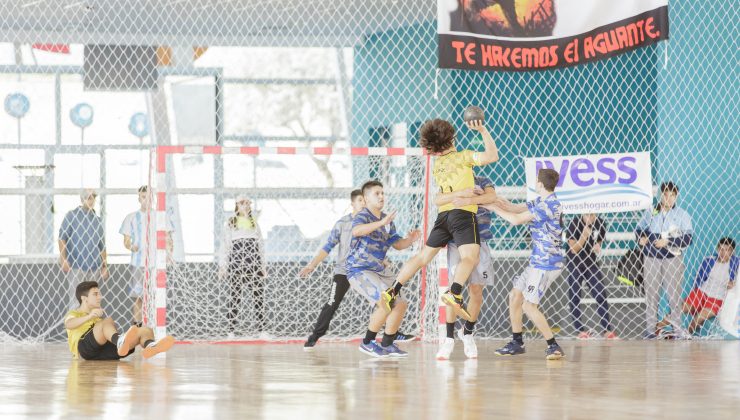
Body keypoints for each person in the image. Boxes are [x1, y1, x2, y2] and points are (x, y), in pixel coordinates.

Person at [381, 118, 500, 322]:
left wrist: (458, 193)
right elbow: (492, 155)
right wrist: (482, 130)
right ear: (452, 137)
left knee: (422, 257)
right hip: (463, 215)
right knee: (471, 258)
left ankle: (392, 290)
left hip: (443, 217)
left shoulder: (438, 165)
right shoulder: (463, 157)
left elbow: (440, 198)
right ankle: (454, 292)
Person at [485, 168, 566, 360]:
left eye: (536, 180)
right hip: (536, 261)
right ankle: (517, 342)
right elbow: (514, 208)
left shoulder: (549, 205)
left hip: (547, 263)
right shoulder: (541, 201)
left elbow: (515, 220)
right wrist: (493, 199)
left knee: (529, 306)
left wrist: (493, 208)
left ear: (540, 184)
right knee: (515, 296)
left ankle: (553, 346)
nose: (535, 182)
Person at [346, 180, 420, 358]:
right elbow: (357, 231)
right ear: (365, 198)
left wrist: (410, 240)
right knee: (385, 301)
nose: (381, 196)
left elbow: (398, 245)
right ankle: (367, 342)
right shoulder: (362, 216)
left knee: (400, 304)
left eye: (382, 193)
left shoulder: (387, 221)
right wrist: (381, 222)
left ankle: (387, 343)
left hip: (380, 270)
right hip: (359, 270)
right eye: (376, 193)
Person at [435, 175, 497, 360]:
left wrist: (470, 199)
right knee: (454, 291)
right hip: (457, 241)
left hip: (482, 239)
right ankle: (448, 338)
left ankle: (467, 332)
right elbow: (439, 200)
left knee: (477, 290)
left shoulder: (484, 181)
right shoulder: (451, 182)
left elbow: (491, 198)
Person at [635, 181, 693, 339]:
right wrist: (641, 238)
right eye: (666, 194)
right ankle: (650, 331)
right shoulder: (651, 212)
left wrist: (668, 242)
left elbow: (688, 239)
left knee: (674, 296)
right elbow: (639, 229)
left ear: (676, 196)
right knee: (652, 295)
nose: (668, 198)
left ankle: (677, 330)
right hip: (651, 258)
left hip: (673, 259)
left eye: (672, 195)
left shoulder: (682, 215)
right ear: (661, 195)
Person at [64, 281, 174, 360]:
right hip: (84, 349)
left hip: (102, 352)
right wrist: (89, 317)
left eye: (100, 294)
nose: (100, 297)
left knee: (145, 330)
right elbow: (69, 324)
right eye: (95, 294)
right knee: (107, 321)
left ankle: (150, 346)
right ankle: (120, 341)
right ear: (84, 298)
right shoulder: (74, 314)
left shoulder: (97, 318)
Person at [657, 237, 737, 335]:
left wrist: (734, 284)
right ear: (717, 249)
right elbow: (698, 278)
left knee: (698, 318)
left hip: (717, 298)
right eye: (721, 249)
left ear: (732, 251)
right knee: (679, 309)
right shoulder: (709, 260)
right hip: (702, 292)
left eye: (727, 250)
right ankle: (658, 328)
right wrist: (697, 295)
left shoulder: (736, 263)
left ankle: (686, 335)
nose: (723, 252)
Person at [119, 186, 174, 327]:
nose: (146, 200)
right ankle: (137, 328)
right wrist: (131, 246)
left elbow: (168, 238)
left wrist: (169, 254)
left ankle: (155, 326)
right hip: (138, 264)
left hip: (156, 264)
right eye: (143, 197)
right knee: (138, 298)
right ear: (139, 198)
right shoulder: (131, 217)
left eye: (149, 197)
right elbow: (126, 241)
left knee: (156, 296)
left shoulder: (161, 216)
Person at [218, 195, 266, 336]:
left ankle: (262, 330)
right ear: (237, 205)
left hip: (254, 262)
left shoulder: (254, 223)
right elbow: (225, 246)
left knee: (258, 296)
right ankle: (231, 331)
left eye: (248, 203)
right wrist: (223, 266)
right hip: (237, 262)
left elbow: (261, 245)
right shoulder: (231, 223)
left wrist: (263, 265)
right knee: (235, 297)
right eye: (242, 203)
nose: (245, 205)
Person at [565, 213, 618, 339]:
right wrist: (583, 237)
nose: (590, 217)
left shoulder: (600, 222)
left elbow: (599, 238)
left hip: (591, 262)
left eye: (592, 214)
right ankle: (580, 330)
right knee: (575, 295)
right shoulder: (574, 223)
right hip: (575, 263)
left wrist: (598, 245)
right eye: (587, 214)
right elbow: (573, 249)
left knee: (600, 293)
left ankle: (606, 330)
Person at [59, 188, 108, 309]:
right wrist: (63, 259)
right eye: (88, 198)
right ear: (82, 199)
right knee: (76, 301)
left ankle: (91, 328)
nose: (91, 201)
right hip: (76, 266)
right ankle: (75, 327)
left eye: (93, 198)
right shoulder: (71, 216)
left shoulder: (97, 220)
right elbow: (62, 238)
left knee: (93, 302)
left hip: (94, 267)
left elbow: (102, 246)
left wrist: (104, 266)